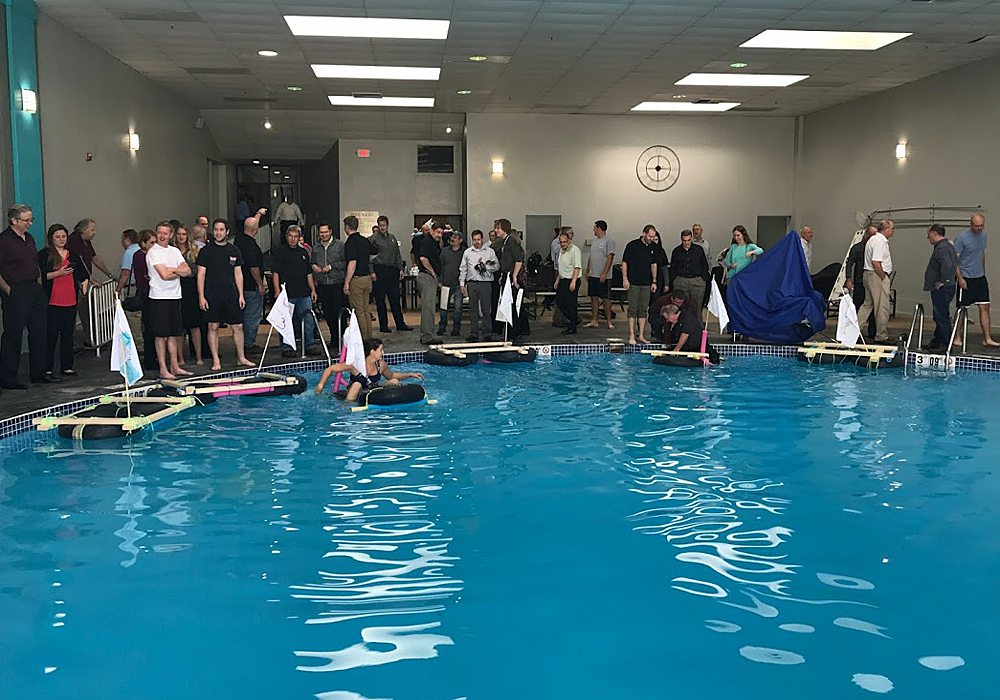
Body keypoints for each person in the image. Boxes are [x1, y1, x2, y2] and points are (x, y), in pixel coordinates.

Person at [0, 205, 49, 389]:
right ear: (14, 221)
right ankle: (8, 377)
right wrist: (8, 290)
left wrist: (38, 284)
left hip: (33, 287)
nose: (30, 223)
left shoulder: (29, 238)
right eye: (26, 220)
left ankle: (38, 373)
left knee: (39, 331)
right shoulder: (4, 240)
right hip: (16, 289)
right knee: (13, 334)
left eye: (31, 219)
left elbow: (34, 263)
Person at [196, 218, 255, 371]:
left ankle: (241, 357)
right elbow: (201, 274)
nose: (218, 232)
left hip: (231, 294)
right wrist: (201, 296)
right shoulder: (206, 251)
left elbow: (238, 274)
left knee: (238, 326)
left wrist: (241, 294)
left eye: (221, 229)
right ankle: (216, 360)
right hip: (212, 294)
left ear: (227, 231)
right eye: (216, 229)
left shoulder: (234, 250)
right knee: (213, 326)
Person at [39, 224, 90, 380]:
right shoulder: (45, 254)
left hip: (70, 299)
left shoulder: (72, 254)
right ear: (51, 238)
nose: (61, 240)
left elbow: (83, 273)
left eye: (63, 236)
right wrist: (58, 273)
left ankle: (67, 366)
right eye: (57, 237)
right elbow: (42, 276)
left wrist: (84, 283)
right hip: (53, 300)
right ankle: (47, 368)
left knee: (68, 334)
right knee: (51, 335)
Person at [146, 221, 194, 380]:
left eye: (165, 233)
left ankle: (175, 366)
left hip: (175, 296)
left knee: (173, 334)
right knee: (161, 335)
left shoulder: (174, 251)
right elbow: (164, 276)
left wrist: (171, 269)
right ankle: (163, 368)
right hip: (159, 297)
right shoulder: (153, 252)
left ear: (170, 235)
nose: (162, 236)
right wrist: (177, 271)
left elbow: (188, 271)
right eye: (159, 233)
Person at [315, 337, 423, 402]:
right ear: (372, 351)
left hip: (372, 393)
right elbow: (330, 369)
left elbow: (392, 376)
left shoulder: (381, 365)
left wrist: (410, 374)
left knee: (394, 381)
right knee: (357, 385)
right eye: (381, 350)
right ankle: (347, 409)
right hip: (356, 395)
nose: (383, 352)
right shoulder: (355, 365)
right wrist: (320, 384)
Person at [272, 225, 320, 357]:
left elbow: (308, 273)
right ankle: (287, 347)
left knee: (308, 320)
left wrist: (313, 290)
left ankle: (309, 345)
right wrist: (277, 291)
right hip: (287, 294)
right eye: (290, 236)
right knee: (286, 322)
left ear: (299, 238)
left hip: (304, 293)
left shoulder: (303, 252)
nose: (293, 239)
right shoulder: (280, 252)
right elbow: (275, 273)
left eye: (295, 236)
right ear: (286, 237)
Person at [954, 213, 998, 347]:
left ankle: (987, 338)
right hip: (965, 277)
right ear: (971, 224)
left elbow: (981, 253)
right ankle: (957, 336)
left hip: (979, 277)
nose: (979, 228)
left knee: (984, 306)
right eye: (976, 226)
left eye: (981, 226)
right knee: (962, 308)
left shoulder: (983, 236)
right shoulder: (962, 238)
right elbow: (954, 261)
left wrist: (982, 272)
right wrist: (960, 278)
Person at [369, 215, 411, 333]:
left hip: (392, 270)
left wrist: (400, 268)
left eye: (384, 225)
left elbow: (397, 254)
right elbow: (369, 258)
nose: (382, 227)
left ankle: (400, 323)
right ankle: (383, 326)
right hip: (379, 270)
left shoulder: (392, 238)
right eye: (380, 225)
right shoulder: (373, 239)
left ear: (388, 225)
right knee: (380, 300)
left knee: (395, 298)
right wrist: (371, 272)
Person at [857, 219, 895, 342]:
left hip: (868, 274)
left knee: (867, 305)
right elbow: (876, 262)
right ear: (886, 229)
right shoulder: (880, 241)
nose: (893, 231)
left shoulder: (872, 239)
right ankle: (881, 336)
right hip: (876, 276)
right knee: (882, 306)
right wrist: (883, 277)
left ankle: (853, 332)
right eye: (892, 229)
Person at [922, 224, 959, 352]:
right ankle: (937, 341)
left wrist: (944, 281)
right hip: (946, 286)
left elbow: (947, 265)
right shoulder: (947, 246)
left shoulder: (942, 248)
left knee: (941, 315)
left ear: (935, 233)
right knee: (939, 315)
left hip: (942, 288)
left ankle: (945, 344)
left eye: (929, 235)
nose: (928, 237)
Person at [621, 225, 659, 344]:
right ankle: (632, 335)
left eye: (653, 237)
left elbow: (654, 264)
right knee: (633, 309)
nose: (651, 239)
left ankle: (641, 335)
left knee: (643, 309)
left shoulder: (653, 247)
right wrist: (625, 279)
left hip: (646, 283)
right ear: (644, 234)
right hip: (633, 282)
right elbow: (625, 262)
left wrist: (654, 281)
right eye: (649, 236)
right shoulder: (632, 245)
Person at [460, 229, 499, 342]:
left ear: (482, 239)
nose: (476, 242)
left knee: (486, 309)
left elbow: (497, 266)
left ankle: (487, 333)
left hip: (486, 283)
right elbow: (463, 269)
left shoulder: (490, 251)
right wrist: (462, 284)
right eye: (474, 240)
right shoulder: (467, 252)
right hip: (472, 283)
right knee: (473, 310)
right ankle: (474, 333)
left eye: (478, 239)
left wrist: (486, 267)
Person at [172, 224, 204, 365]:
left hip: (191, 288)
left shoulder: (194, 251)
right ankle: (180, 358)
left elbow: (195, 272)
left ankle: (198, 356)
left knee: (194, 325)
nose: (181, 237)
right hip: (175, 287)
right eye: (179, 234)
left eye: (184, 234)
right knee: (179, 326)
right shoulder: (171, 251)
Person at [311, 221, 347, 344]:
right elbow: (312, 263)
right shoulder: (315, 248)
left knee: (339, 311)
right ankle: (334, 338)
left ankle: (343, 338)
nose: (324, 234)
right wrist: (314, 266)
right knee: (328, 312)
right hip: (323, 284)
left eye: (326, 232)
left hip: (337, 283)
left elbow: (345, 262)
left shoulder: (340, 245)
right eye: (321, 232)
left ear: (330, 231)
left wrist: (331, 266)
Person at [234, 215, 265, 355]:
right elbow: (253, 267)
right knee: (252, 315)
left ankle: (242, 342)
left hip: (240, 285)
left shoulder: (238, 240)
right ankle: (248, 343)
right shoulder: (251, 245)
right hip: (251, 285)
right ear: (256, 229)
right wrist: (260, 284)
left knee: (244, 315)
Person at [494, 218, 529, 339]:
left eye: (498, 228)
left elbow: (519, 259)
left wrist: (514, 276)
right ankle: (512, 330)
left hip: (510, 276)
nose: (496, 230)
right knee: (508, 304)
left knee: (511, 304)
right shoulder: (504, 241)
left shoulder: (510, 242)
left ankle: (514, 331)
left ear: (504, 229)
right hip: (506, 275)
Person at [342, 215, 374, 339]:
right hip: (367, 278)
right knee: (365, 310)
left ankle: (363, 340)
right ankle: (369, 337)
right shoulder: (364, 240)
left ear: (346, 227)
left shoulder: (350, 242)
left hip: (356, 279)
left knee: (358, 312)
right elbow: (375, 251)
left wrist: (346, 282)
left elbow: (352, 263)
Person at [132, 229, 157, 369]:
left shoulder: (151, 254)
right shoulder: (139, 256)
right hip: (147, 294)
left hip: (153, 293)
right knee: (149, 327)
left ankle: (153, 356)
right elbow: (145, 276)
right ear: (143, 243)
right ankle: (150, 359)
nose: (154, 245)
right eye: (151, 243)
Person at [845, 225, 877, 337]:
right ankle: (854, 331)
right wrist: (848, 279)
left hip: (871, 281)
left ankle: (872, 332)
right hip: (859, 281)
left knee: (873, 307)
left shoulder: (875, 247)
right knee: (858, 306)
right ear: (866, 235)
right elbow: (849, 263)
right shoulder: (857, 248)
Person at [669, 229, 710, 313]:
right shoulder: (676, 251)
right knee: (682, 306)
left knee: (697, 307)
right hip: (681, 280)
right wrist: (674, 280)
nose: (686, 243)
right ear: (681, 239)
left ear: (691, 238)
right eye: (684, 240)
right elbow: (673, 267)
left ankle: (697, 322)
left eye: (688, 240)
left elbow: (704, 265)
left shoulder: (698, 249)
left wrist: (703, 279)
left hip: (697, 280)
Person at [417, 222, 445, 344]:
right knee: (428, 308)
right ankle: (427, 336)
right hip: (427, 276)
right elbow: (423, 258)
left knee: (430, 307)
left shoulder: (434, 242)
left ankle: (427, 334)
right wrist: (433, 272)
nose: (440, 235)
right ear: (432, 231)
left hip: (429, 276)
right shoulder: (427, 242)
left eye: (441, 233)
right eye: (438, 232)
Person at [585, 219, 616, 329]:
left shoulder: (609, 240)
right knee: (593, 297)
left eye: (594, 227)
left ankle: (609, 321)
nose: (593, 229)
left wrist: (604, 272)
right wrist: (587, 270)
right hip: (593, 274)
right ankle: (594, 320)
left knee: (605, 298)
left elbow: (610, 257)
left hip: (604, 276)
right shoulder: (594, 241)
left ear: (599, 228)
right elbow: (591, 256)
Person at [553, 231, 582, 335]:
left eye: (564, 242)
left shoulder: (575, 250)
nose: (562, 244)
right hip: (563, 279)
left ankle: (573, 327)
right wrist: (557, 280)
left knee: (571, 304)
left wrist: (573, 281)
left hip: (572, 279)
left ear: (569, 240)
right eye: (561, 242)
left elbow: (577, 267)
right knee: (559, 301)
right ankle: (574, 319)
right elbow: (561, 267)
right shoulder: (561, 251)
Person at [439, 231, 465, 336]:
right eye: (452, 237)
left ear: (460, 240)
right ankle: (442, 326)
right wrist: (440, 280)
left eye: (455, 237)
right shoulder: (445, 251)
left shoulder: (464, 252)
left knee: (458, 308)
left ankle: (456, 329)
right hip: (446, 283)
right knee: (443, 307)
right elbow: (440, 266)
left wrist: (464, 283)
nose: (452, 239)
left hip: (458, 284)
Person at [117, 229, 140, 294]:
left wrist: (119, 289)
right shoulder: (141, 249)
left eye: (122, 239)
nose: (121, 242)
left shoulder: (129, 252)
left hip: (132, 287)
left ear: (127, 240)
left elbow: (126, 273)